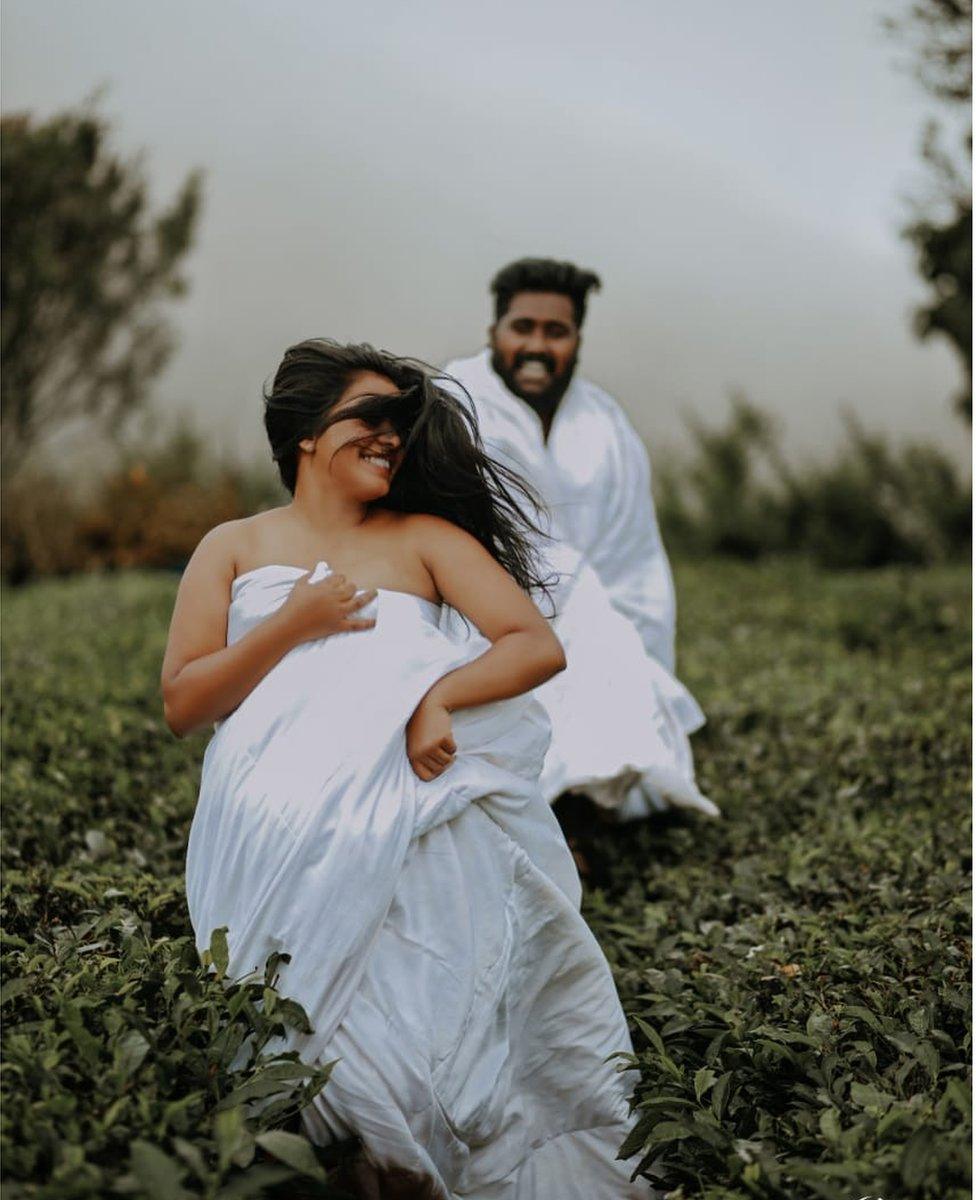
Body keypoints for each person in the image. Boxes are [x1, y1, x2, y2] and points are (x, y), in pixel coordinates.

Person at [161, 340, 655, 1198]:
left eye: (401, 424)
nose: (392, 438)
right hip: (268, 822)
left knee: (411, 1041)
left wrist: (439, 697)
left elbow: (534, 646)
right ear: (307, 432)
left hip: (412, 812)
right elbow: (184, 702)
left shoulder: (425, 537)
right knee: (295, 1044)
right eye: (371, 419)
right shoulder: (233, 546)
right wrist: (295, 620)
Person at [444, 258, 717, 821]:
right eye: (523, 328)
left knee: (597, 629)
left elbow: (634, 553)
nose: (538, 346)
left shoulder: (604, 422)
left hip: (596, 618)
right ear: (494, 332)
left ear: (577, 339)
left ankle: (584, 795)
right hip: (481, 616)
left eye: (556, 331)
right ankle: (548, 806)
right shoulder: (453, 402)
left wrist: (605, 626)